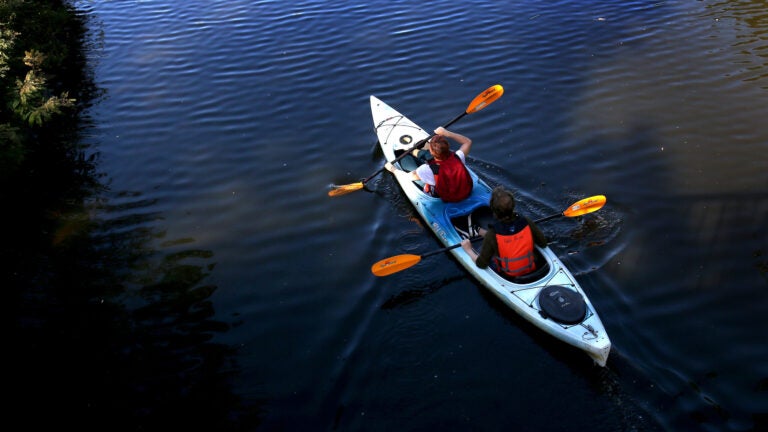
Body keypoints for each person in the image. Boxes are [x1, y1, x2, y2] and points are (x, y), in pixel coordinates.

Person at [461, 186, 548, 278]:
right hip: (532, 267)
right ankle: (478, 231)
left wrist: (468, 250)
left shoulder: (493, 233)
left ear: (493, 211)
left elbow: (481, 264)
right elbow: (543, 244)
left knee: (480, 250)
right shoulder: (526, 222)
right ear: (513, 206)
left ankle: (475, 232)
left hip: (508, 274)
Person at [384, 127, 473, 202]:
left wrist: (393, 169)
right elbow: (467, 142)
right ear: (448, 147)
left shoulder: (427, 169)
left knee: (405, 160)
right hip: (466, 191)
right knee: (427, 162)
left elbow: (407, 177)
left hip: (446, 197)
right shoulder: (459, 156)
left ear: (431, 152)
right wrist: (447, 133)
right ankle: (413, 151)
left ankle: (408, 153)